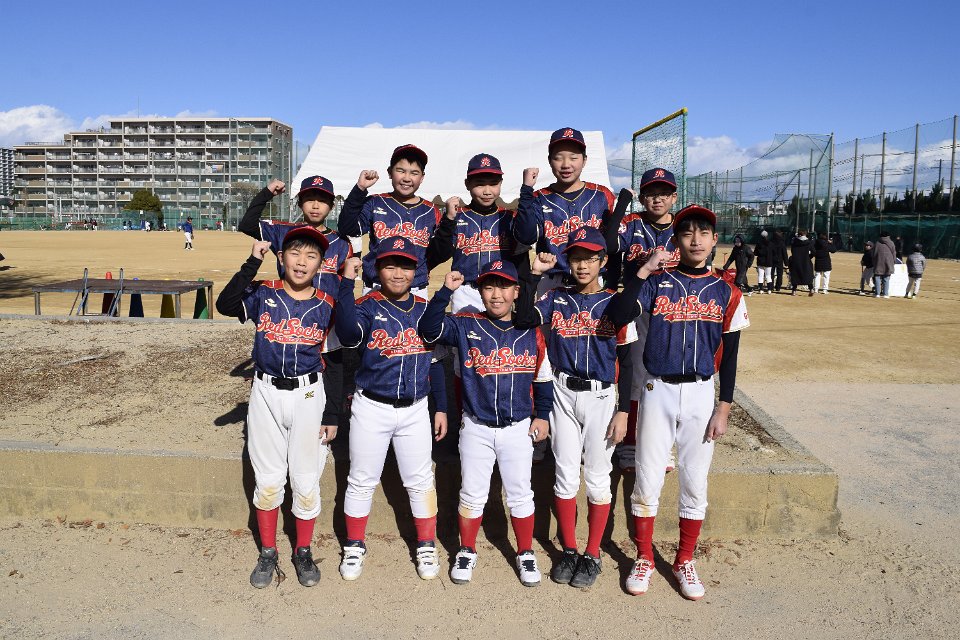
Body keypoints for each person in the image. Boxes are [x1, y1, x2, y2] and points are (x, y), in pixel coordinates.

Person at [605, 204, 749, 601]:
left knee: (694, 480)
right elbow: (618, 313)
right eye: (687, 233)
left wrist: (725, 405)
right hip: (658, 389)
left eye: (703, 232)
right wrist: (643, 271)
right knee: (648, 478)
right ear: (676, 240)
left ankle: (685, 559)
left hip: (702, 392)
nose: (696, 240)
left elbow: (731, 355)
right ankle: (644, 557)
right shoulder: (657, 282)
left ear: (715, 240)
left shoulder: (727, 290)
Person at [214, 227, 339, 589]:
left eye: (311, 256)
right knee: (268, 479)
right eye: (295, 253)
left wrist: (332, 413)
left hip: (308, 395)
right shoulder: (263, 293)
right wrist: (252, 262)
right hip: (266, 392)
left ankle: (303, 550)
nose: (302, 262)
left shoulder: (327, 304)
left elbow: (336, 361)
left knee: (306, 478)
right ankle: (268, 551)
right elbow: (225, 304)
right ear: (281, 258)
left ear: (320, 264)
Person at [513, 226, 637, 589]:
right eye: (577, 258)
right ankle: (569, 549)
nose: (582, 266)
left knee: (598, 477)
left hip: (601, 397)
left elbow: (628, 361)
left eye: (590, 259)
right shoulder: (556, 298)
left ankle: (593, 553)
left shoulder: (614, 303)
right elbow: (523, 317)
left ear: (603, 261)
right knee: (565, 474)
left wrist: (623, 411)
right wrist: (533, 275)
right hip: (563, 392)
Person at [420, 260, 552, 587]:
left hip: (518, 426)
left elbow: (542, 377)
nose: (496, 295)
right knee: (472, 493)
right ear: (479, 292)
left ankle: (525, 551)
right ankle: (466, 549)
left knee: (520, 493)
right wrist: (445, 292)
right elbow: (429, 329)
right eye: (489, 287)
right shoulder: (466, 324)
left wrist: (543, 414)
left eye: (503, 287)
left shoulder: (530, 329)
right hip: (476, 426)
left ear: (516, 292)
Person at [334, 239, 448, 581]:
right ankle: (354, 544)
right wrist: (346, 283)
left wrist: (441, 407)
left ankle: (426, 544)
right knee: (361, 479)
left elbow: (436, 363)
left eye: (406, 266)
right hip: (372, 406)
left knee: (420, 480)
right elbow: (348, 335)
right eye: (390, 265)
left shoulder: (426, 308)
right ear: (377, 269)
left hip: (415, 408)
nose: (398, 274)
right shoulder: (367, 305)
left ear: (417, 271)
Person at [602, 167, 678, 473]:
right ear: (642, 197)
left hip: (673, 308)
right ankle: (631, 443)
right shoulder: (632, 223)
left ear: (674, 197)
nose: (657, 199)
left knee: (668, 376)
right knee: (635, 375)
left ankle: (662, 444)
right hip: (638, 306)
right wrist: (623, 203)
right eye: (650, 193)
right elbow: (609, 243)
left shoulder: (683, 226)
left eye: (663, 193)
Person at [338, 145, 455, 297]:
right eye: (401, 171)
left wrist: (449, 220)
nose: (407, 178)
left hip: (415, 290)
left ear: (422, 177)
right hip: (376, 287)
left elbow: (440, 252)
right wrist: (360, 189)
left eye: (414, 173)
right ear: (390, 172)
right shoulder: (375, 202)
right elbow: (348, 228)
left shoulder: (431, 210)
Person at [513, 127, 616, 295]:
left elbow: (614, 245)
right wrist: (526, 191)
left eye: (573, 157)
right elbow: (525, 236)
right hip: (552, 281)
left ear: (584, 160)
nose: (566, 164)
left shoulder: (603, 195)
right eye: (558, 158)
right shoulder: (539, 198)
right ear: (549, 161)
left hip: (593, 281)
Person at [238, 176, 352, 299]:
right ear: (300, 203)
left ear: (331, 206)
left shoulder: (342, 243)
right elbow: (247, 225)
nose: (315, 206)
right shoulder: (282, 231)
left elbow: (345, 284)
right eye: (309, 199)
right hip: (288, 307)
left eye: (322, 201)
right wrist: (268, 192)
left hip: (327, 309)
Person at [444, 153, 523, 314]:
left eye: (493, 184)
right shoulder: (458, 217)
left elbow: (520, 260)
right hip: (465, 290)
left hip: (500, 290)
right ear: (467, 184)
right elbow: (441, 252)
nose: (487, 191)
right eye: (480, 184)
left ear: (500, 183)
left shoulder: (510, 218)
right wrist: (447, 221)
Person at [788, 230, 815, 296]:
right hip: (806, 261)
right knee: (808, 275)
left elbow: (792, 251)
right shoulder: (809, 243)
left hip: (796, 261)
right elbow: (814, 252)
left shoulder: (794, 242)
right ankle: (811, 289)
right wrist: (809, 257)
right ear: (805, 235)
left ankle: (794, 291)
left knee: (796, 275)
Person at [872, 232, 896, 298]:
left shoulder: (877, 243)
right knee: (886, 278)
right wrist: (893, 262)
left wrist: (874, 261)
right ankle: (885, 294)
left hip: (878, 262)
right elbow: (894, 253)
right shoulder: (891, 243)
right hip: (888, 263)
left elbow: (874, 254)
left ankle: (877, 293)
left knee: (877, 278)